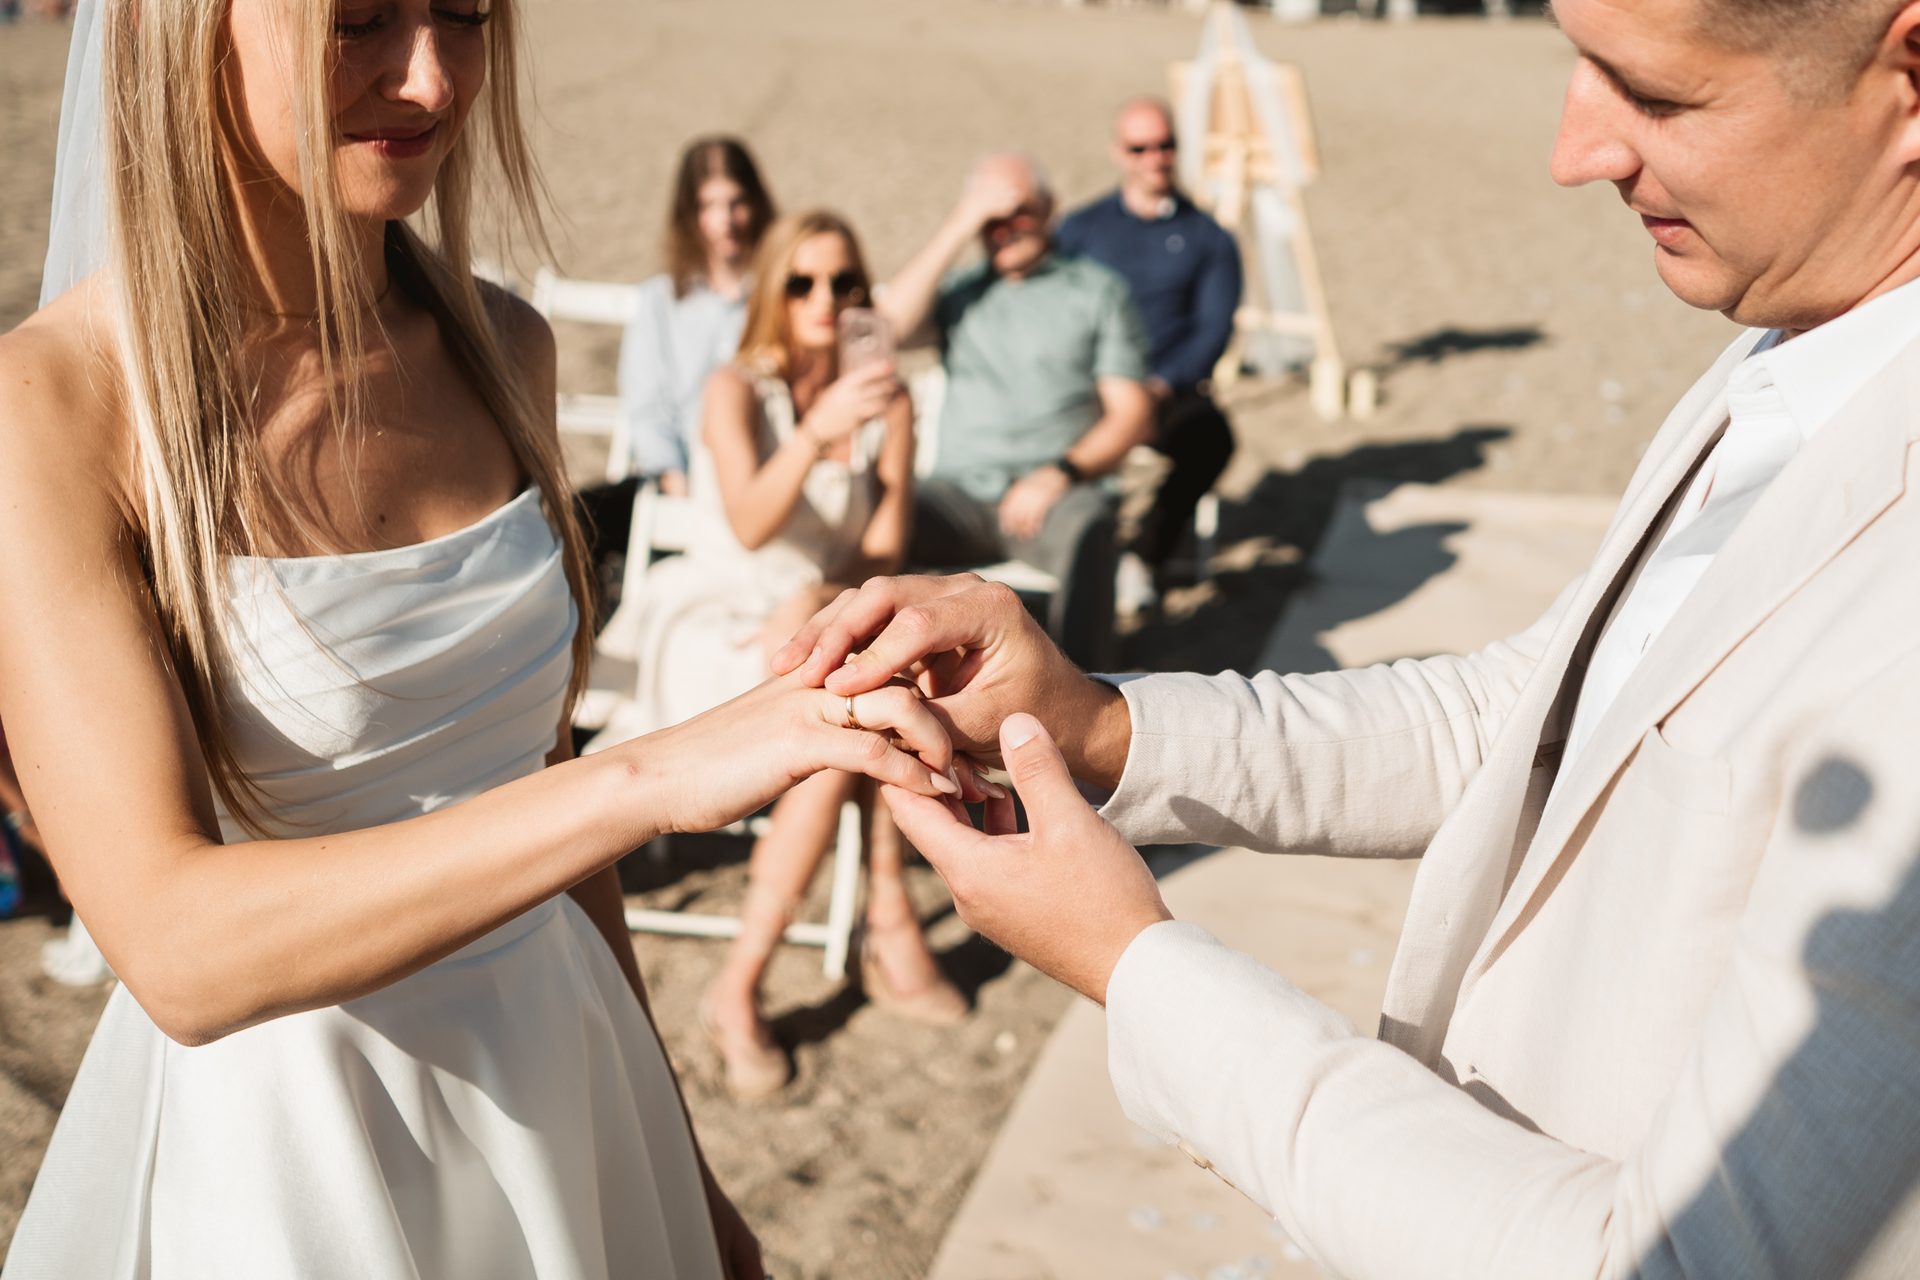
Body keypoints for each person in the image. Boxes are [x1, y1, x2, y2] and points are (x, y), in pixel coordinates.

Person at [774, 0, 1920, 1273]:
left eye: (1652, 95)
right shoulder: (1790, 344)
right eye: (1575, 64)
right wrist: (1098, 717)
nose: (1574, 148)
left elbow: (1679, 1257)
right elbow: (1525, 713)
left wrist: (1138, 965)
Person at [0, 3, 970, 1275]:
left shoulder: (502, 345)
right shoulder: (55, 409)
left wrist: (684, 1179)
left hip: (567, 1076)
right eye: (357, 21)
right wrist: (650, 775)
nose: (432, 78)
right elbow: (175, 947)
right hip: (297, 1152)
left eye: (465, 12)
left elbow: (564, 834)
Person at [600, 210, 968, 1098]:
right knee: (846, 708)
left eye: (845, 283)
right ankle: (882, 920)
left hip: (819, 615)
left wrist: (821, 604)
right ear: (773, 290)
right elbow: (750, 522)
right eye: (803, 282)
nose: (825, 300)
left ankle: (752, 981)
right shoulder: (736, 388)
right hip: (716, 613)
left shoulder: (890, 399)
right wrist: (816, 431)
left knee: (850, 694)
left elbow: (884, 548)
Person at [876, 152, 1154, 670]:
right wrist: (962, 222)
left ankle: (1085, 689)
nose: (1004, 229)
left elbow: (1132, 413)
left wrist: (1059, 474)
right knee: (872, 509)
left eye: (1019, 211)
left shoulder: (1096, 292)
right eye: (991, 219)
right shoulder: (960, 293)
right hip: (956, 495)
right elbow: (886, 329)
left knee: (1090, 525)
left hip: (1052, 497)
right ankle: (878, 679)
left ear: (1050, 209)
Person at [1057, 97, 1242, 597]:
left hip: (1164, 390)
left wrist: (1163, 385)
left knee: (1213, 439)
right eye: (1140, 148)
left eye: (1165, 145)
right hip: (1086, 384)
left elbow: (1213, 329)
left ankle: (1147, 551)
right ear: (1119, 152)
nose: (1154, 158)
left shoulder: (1209, 239)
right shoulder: (1081, 229)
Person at [620, 136, 776, 494]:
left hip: (761, 482)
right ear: (689, 215)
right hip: (682, 482)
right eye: (709, 206)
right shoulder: (659, 301)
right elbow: (648, 407)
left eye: (736, 203)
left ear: (756, 204)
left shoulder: (783, 295)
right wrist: (676, 483)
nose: (726, 221)